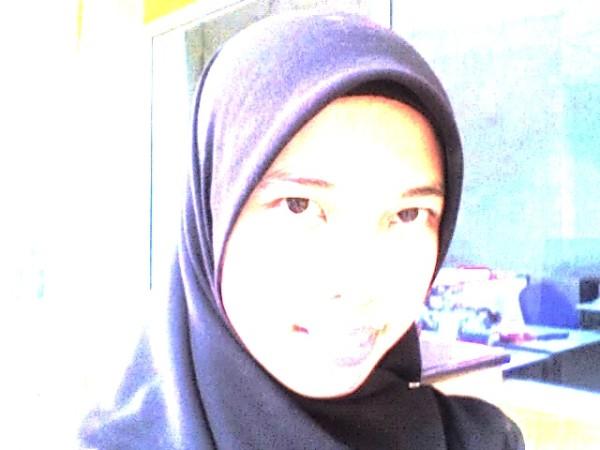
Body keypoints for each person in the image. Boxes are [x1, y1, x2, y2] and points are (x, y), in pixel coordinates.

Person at [80, 12, 524, 449]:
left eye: (408, 214)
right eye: (299, 206)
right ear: (213, 214)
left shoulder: (481, 441)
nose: (358, 286)